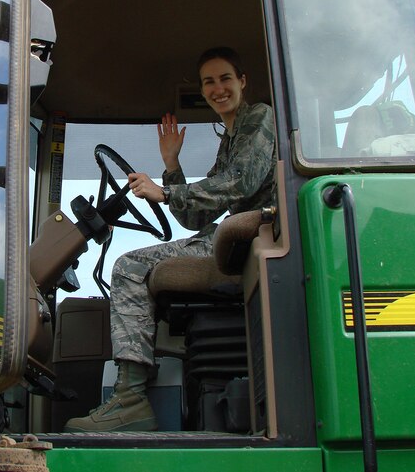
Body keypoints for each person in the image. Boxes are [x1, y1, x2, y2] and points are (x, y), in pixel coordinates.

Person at [64, 46, 277, 433]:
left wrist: (164, 192)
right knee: (134, 266)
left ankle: (130, 399)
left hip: (253, 241)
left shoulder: (260, 118)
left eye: (225, 78)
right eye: (209, 82)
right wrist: (172, 167)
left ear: (242, 81)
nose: (218, 88)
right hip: (228, 238)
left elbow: (240, 182)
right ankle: (132, 394)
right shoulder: (229, 138)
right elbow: (194, 216)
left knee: (128, 267)